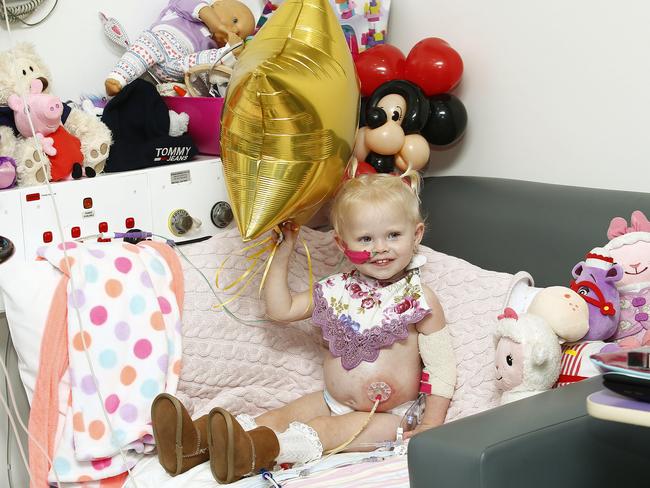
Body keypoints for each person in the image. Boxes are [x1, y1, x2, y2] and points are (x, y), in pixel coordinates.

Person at [151, 173, 457, 483]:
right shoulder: (336, 291)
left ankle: (255, 454)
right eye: (365, 239)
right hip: (330, 399)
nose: (380, 248)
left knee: (325, 429)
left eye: (393, 235)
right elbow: (280, 310)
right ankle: (194, 445)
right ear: (340, 242)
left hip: (390, 418)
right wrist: (284, 252)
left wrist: (429, 427)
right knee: (276, 417)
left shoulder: (419, 299)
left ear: (416, 234)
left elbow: (441, 366)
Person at [104, 0, 259, 96]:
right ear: (217, 4)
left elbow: (199, 67)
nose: (235, 30)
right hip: (160, 41)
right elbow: (195, 6)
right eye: (235, 20)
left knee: (208, 62)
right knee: (142, 49)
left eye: (240, 34)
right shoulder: (190, 8)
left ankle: (228, 55)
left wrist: (230, 48)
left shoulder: (210, 45)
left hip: (177, 67)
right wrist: (218, 26)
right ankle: (118, 78)